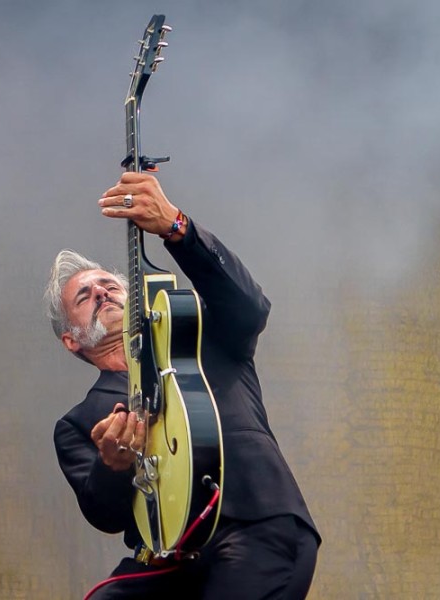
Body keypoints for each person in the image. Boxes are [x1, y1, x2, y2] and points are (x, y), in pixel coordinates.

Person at [46, 172, 320, 599]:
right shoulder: (78, 424)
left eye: (110, 284)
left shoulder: (200, 337)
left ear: (132, 294)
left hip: (253, 524)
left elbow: (250, 307)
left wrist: (177, 227)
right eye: (84, 296)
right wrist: (112, 466)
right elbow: (104, 512)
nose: (101, 293)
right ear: (71, 340)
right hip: (167, 559)